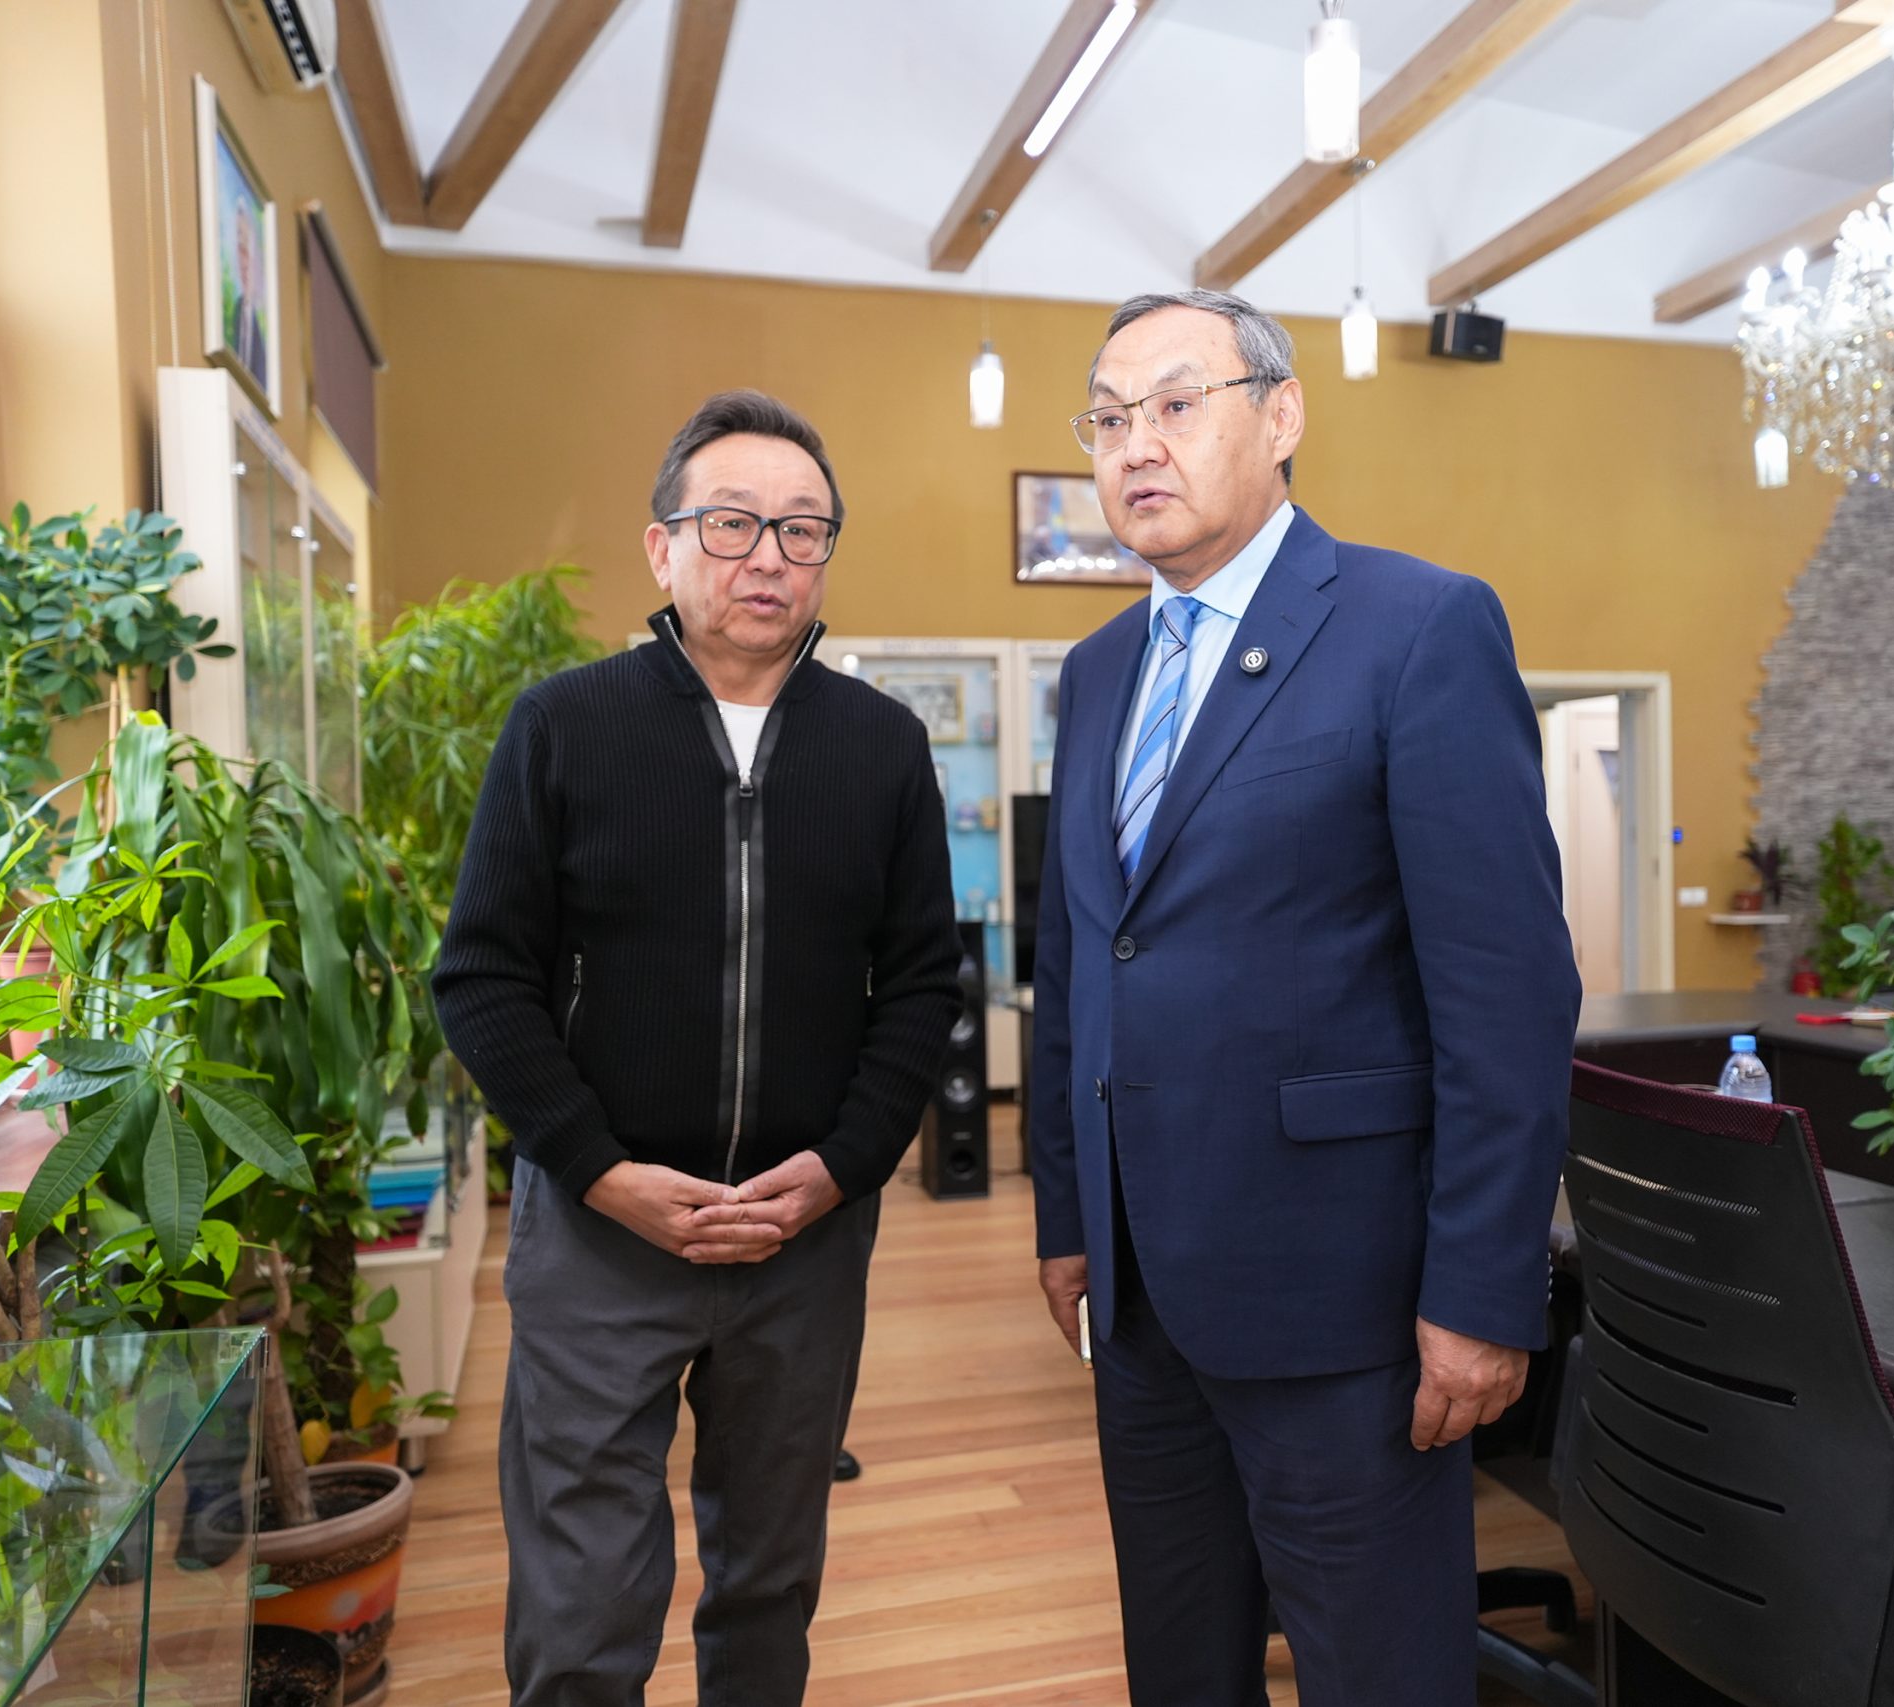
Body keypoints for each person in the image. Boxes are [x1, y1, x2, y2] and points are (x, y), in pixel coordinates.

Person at [1029, 290, 1582, 1706]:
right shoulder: (1096, 672)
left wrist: (1484, 1290)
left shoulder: (1418, 626)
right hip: (1140, 1300)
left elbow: (1506, 997)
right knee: (1180, 1666)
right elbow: (1081, 963)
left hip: (1349, 1302)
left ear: (1280, 416)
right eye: (1108, 418)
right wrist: (1068, 1215)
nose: (1136, 445)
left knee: (1378, 1675)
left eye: (1175, 404)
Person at [432, 390, 962, 1707]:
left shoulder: (883, 748)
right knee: (581, 1603)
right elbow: (482, 978)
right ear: (662, 547)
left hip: (802, 1236)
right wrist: (600, 1171)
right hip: (602, 1227)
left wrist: (841, 1167)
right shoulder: (564, 726)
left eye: (802, 529)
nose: (767, 556)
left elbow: (920, 984)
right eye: (732, 523)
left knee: (771, 1581)